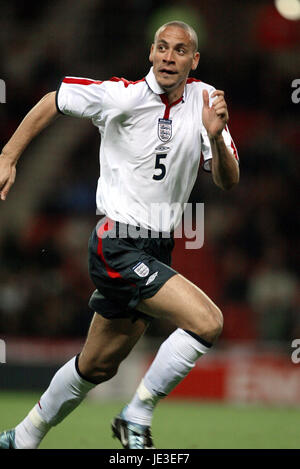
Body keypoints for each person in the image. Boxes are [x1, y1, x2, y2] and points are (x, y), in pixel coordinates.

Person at [0, 21, 239, 449]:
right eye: (162, 48)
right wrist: (8, 154)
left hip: (157, 248)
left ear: (194, 60)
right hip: (118, 243)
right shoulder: (121, 95)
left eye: (180, 50)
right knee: (208, 322)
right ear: (151, 53)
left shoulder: (206, 100)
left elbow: (227, 180)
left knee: (96, 367)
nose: (169, 57)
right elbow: (54, 99)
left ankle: (23, 437)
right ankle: (136, 416)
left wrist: (216, 137)